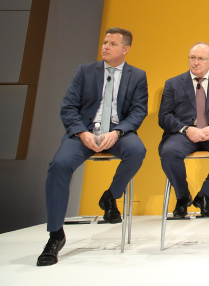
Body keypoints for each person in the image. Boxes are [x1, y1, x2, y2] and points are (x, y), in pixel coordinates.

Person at [38, 27, 148, 266]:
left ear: (126, 49)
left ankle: (111, 196)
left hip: (117, 132)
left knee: (137, 151)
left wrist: (117, 132)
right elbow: (68, 107)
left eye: (112, 44)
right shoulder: (85, 71)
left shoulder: (137, 76)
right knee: (59, 165)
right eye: (105, 42)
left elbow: (139, 111)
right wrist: (82, 133)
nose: (105, 47)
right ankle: (55, 235)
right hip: (84, 132)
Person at [158, 42, 209, 219]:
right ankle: (182, 196)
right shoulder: (173, 84)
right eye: (192, 58)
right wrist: (186, 129)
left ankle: (205, 195)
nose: (195, 62)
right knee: (169, 151)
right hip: (183, 134)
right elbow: (164, 117)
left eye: (201, 59)